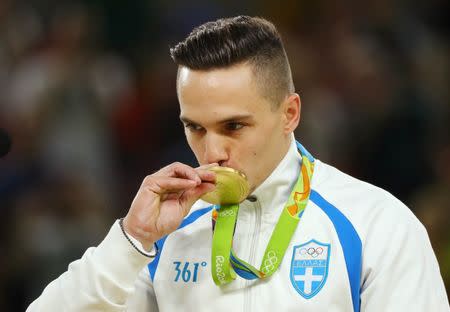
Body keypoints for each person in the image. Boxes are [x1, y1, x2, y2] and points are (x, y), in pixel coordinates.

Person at [27, 16, 449, 311]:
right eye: (194, 127)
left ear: (290, 114)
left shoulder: (376, 225)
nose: (212, 152)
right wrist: (132, 240)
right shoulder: (165, 237)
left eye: (233, 126)